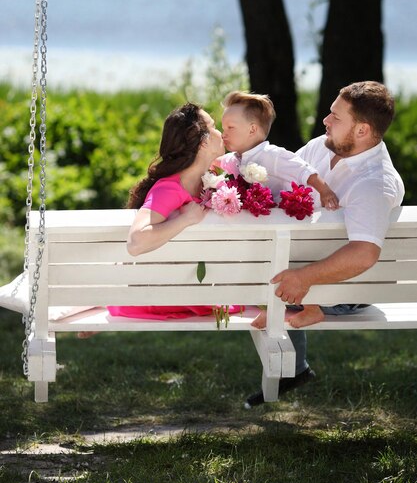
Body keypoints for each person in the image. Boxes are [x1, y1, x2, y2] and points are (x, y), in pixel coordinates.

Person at [245, 81, 405, 407]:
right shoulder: (324, 146)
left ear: (362, 130)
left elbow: (363, 255)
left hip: (352, 290)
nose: (325, 121)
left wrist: (303, 280)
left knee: (267, 282)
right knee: (265, 271)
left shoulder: (374, 183)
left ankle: (299, 313)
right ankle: (297, 337)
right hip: (308, 264)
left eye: (335, 116)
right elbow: (283, 183)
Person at [108, 102, 242, 320]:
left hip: (189, 289)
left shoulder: (211, 180)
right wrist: (185, 219)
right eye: (214, 126)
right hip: (167, 294)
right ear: (203, 142)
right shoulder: (169, 190)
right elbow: (135, 243)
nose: (220, 132)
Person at [218, 90, 340, 329]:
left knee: (285, 262)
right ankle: (272, 307)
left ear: (252, 130)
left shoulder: (272, 155)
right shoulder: (236, 158)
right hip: (265, 225)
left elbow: (304, 170)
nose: (224, 134)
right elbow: (223, 165)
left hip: (285, 222)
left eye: (230, 128)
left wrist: (324, 191)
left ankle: (312, 308)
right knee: (264, 265)